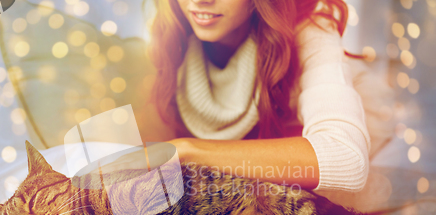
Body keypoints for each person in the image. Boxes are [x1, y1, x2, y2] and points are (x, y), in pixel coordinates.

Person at [135, 0, 395, 195]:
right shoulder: (171, 33)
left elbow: (347, 160)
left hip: (375, 133)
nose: (200, 0)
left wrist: (187, 150)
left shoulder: (308, 28)